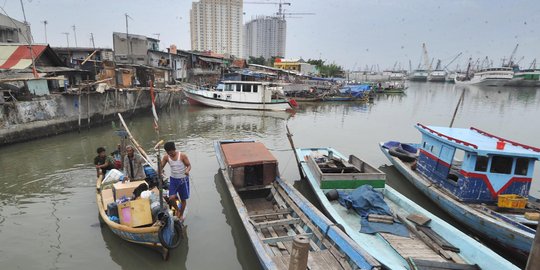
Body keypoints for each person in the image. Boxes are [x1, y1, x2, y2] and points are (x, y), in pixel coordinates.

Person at [161, 142, 191, 220]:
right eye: (169, 153)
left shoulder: (182, 156)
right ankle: (177, 209)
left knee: (183, 199)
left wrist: (187, 171)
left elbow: (189, 165)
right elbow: (160, 167)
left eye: (172, 152)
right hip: (173, 179)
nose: (171, 154)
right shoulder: (166, 157)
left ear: (174, 149)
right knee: (171, 198)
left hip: (183, 180)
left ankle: (181, 214)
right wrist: (159, 169)